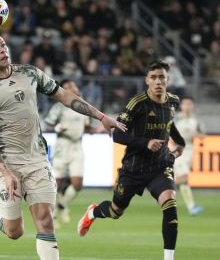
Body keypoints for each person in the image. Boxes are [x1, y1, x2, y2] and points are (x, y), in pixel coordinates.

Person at [0, 30, 126, 260]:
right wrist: (4, 172)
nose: (2, 50)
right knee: (15, 232)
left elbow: (65, 96)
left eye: (3, 45)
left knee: (45, 221)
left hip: (37, 159)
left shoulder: (30, 73)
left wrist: (101, 117)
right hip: (8, 164)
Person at [77, 60, 185, 260]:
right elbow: (117, 135)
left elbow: (168, 124)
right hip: (133, 169)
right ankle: (92, 212)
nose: (158, 81)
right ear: (147, 80)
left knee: (170, 203)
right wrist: (145, 143)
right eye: (154, 77)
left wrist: (180, 143)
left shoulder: (172, 101)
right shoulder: (137, 103)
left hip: (159, 167)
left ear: (167, 80)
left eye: (162, 77)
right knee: (116, 211)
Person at [44, 79, 104, 227]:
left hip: (77, 146)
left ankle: (62, 205)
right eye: (68, 86)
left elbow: (87, 127)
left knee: (77, 184)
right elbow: (48, 125)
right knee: (56, 184)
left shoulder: (83, 107)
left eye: (74, 85)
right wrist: (58, 127)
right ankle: (53, 215)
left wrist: (99, 129)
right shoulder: (59, 107)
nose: (73, 87)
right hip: (62, 146)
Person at [172, 96, 205, 216]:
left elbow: (204, 135)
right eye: (185, 104)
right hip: (177, 148)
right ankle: (191, 207)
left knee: (182, 178)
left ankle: (161, 187)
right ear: (181, 106)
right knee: (183, 177)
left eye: (189, 104)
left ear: (193, 106)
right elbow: (167, 133)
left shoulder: (196, 121)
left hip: (190, 149)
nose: (187, 106)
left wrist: (196, 134)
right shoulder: (175, 119)